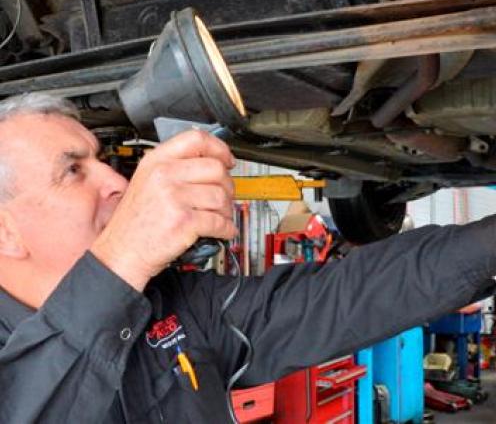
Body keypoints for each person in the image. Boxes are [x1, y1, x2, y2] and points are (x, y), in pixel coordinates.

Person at [0, 93, 495, 423]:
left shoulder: (178, 308)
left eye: (100, 161)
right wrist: (122, 258)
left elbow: (351, 295)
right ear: (5, 231)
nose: (116, 182)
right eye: (73, 171)